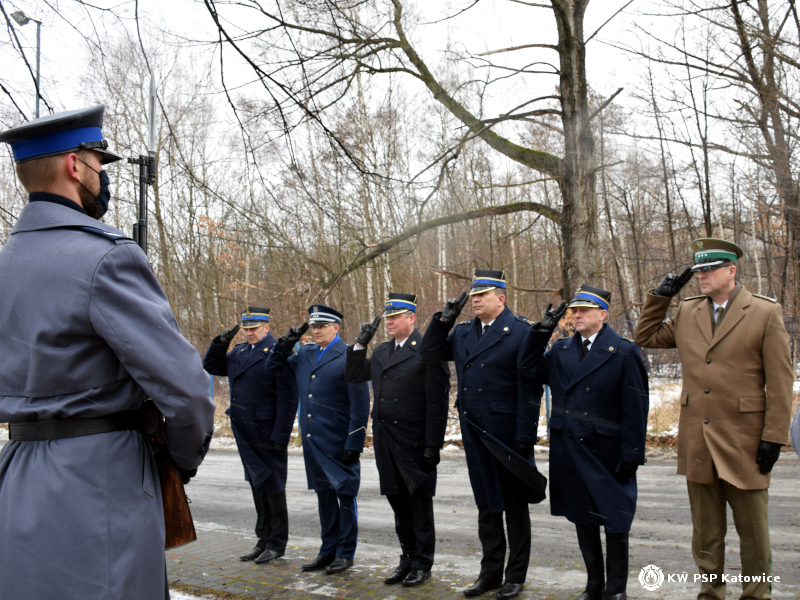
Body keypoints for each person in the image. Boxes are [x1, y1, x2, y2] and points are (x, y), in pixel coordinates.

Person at [0, 106, 215, 599]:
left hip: (17, 476)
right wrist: (180, 460)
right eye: (100, 162)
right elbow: (186, 392)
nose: (103, 175)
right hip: (100, 480)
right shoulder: (105, 256)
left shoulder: (5, 264)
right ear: (75, 165)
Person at [635, 238, 794, 600]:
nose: (701, 276)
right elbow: (646, 335)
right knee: (706, 532)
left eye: (709, 269)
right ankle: (711, 594)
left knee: (753, 532)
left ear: (731, 271)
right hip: (698, 438)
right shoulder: (688, 311)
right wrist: (660, 297)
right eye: (698, 270)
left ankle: (757, 595)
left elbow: (780, 382)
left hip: (745, 439)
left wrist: (774, 436)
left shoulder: (764, 312)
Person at [420, 270, 547, 600]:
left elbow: (530, 387)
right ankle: (489, 574)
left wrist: (525, 434)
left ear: (500, 298)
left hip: (508, 435)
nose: (475, 300)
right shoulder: (463, 332)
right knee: (487, 505)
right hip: (475, 431)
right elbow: (429, 351)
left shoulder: (521, 331)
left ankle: (515, 576)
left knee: (515, 507)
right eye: (474, 295)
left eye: (483, 295)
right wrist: (443, 320)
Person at [522, 285, 649, 600]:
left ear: (602, 314)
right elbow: (527, 368)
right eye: (574, 311)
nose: (576, 315)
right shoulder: (561, 349)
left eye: (584, 311)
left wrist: (632, 453)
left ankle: (616, 590)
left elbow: (636, 408)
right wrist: (542, 331)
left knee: (615, 519)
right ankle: (594, 585)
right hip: (570, 448)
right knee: (582, 518)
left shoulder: (623, 351)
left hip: (607, 451)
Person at [345, 293, 451, 587]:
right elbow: (354, 374)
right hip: (386, 440)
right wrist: (360, 344)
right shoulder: (381, 351)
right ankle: (407, 558)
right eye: (387, 317)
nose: (389, 322)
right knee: (398, 503)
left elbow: (437, 403)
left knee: (419, 505)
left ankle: (422, 564)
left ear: (411, 318)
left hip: (414, 441)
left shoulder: (427, 349)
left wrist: (433, 444)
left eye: (395, 317)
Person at [265, 304, 370, 575]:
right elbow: (272, 368)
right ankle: (327, 550)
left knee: (345, 497)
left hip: (338, 441)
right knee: (324, 497)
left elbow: (360, 405)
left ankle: (345, 553)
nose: (316, 331)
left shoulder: (349, 355)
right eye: (313, 327)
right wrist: (285, 343)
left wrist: (354, 442)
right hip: (313, 441)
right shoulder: (305, 352)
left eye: (322, 326)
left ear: (336, 327)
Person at [203, 307, 298, 564]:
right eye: (246, 329)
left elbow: (288, 397)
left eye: (254, 329)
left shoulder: (279, 351)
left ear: (266, 327)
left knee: (273, 487)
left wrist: (281, 435)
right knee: (257, 485)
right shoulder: (239, 352)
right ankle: (263, 539)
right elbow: (211, 365)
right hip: (245, 431)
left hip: (267, 431)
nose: (249, 333)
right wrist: (220, 343)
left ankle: (277, 543)